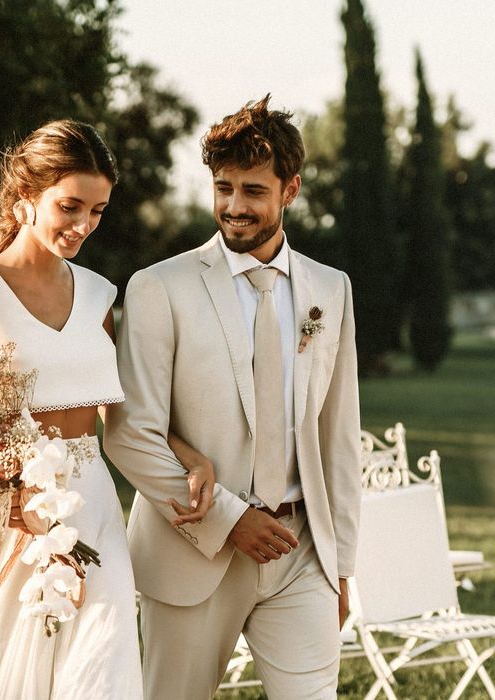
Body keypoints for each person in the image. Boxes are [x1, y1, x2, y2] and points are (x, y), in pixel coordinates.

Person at [0, 120, 212, 700]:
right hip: (7, 518)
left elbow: (121, 412)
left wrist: (189, 457)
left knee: (100, 672)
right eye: (70, 206)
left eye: (99, 211)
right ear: (24, 198)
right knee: (4, 677)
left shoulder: (102, 296)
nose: (84, 225)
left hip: (94, 509)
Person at [104, 96, 361, 700]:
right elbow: (129, 432)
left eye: (252, 191)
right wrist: (229, 518)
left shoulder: (332, 289)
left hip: (302, 554)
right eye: (223, 188)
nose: (233, 207)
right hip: (191, 553)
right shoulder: (158, 287)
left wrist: (341, 561)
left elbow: (338, 435)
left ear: (290, 189)